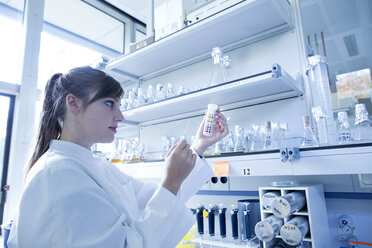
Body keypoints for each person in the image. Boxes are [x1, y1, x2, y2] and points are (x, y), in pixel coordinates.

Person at [7, 66, 228, 248]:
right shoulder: (58, 174)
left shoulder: (92, 165)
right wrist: (171, 181)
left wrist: (198, 147)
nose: (120, 116)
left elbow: (156, 199)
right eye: (109, 103)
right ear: (73, 103)